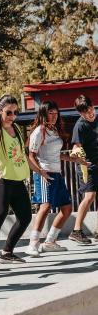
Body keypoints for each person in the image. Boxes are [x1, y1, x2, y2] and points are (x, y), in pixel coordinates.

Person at [0, 94, 48, 268]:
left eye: (15, 112)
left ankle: (7, 252)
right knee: (0, 212)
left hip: (17, 179)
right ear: (0, 111)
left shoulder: (17, 129)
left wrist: (39, 170)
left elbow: (23, 156)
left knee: (25, 217)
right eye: (8, 113)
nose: (12, 116)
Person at [25, 100, 88, 257]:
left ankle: (50, 242)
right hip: (44, 173)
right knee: (45, 207)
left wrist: (75, 160)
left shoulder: (53, 130)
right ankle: (32, 243)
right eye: (50, 113)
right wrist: (40, 172)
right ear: (44, 114)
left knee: (66, 209)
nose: (53, 116)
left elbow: (56, 154)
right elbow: (31, 155)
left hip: (57, 173)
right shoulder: (39, 131)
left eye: (55, 113)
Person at [68, 95, 98, 244]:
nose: (90, 113)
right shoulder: (80, 126)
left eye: (91, 108)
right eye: (86, 112)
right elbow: (76, 146)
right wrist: (76, 154)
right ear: (80, 113)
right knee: (89, 196)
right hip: (87, 165)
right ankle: (76, 231)